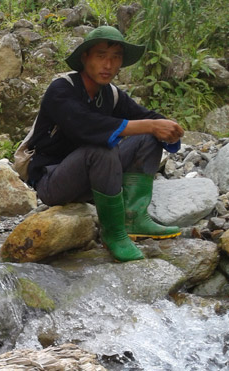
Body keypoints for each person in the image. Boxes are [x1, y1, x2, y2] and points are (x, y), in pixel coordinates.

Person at [25, 26, 184, 262]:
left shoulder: (111, 94)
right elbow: (88, 126)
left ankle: (134, 218)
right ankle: (114, 234)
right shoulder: (61, 89)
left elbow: (144, 117)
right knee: (102, 147)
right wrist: (151, 125)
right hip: (53, 181)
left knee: (149, 135)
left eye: (115, 58)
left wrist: (167, 129)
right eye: (101, 56)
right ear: (84, 58)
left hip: (94, 179)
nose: (108, 65)